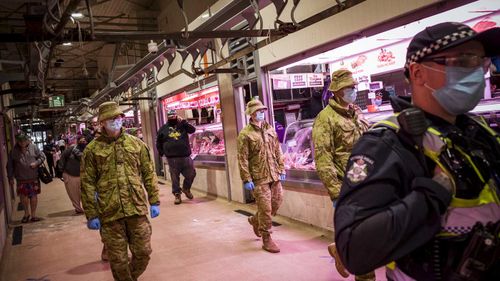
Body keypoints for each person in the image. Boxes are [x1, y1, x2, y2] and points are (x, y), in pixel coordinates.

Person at [334, 22, 500, 281]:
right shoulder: (389, 142)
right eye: (464, 60)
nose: (479, 71)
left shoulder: (479, 132)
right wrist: (431, 195)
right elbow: (354, 251)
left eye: (482, 61)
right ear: (418, 73)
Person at [81, 101, 160, 281]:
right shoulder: (92, 150)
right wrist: (91, 214)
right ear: (102, 122)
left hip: (136, 208)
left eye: (118, 117)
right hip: (109, 212)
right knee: (118, 260)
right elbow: (87, 184)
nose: (116, 121)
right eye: (111, 118)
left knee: (143, 253)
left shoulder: (137, 144)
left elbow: (149, 173)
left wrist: (154, 200)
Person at [311, 69, 371, 280]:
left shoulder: (357, 113)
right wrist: (336, 193)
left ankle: (340, 248)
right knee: (363, 237)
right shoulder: (325, 119)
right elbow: (323, 158)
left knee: (369, 231)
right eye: (349, 88)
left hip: (366, 181)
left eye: (354, 87)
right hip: (345, 185)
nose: (353, 91)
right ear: (336, 92)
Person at [237, 99, 286, 253]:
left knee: (277, 202)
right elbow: (242, 158)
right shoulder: (245, 134)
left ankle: (255, 220)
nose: (261, 113)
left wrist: (282, 168)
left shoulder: (270, 129)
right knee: (265, 208)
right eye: (258, 111)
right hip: (259, 177)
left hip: (274, 174)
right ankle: (267, 238)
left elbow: (277, 150)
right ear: (251, 114)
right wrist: (246, 178)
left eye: (262, 111)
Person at [156, 110, 196, 205]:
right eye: (170, 116)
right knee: (174, 178)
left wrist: (184, 122)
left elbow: (192, 130)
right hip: (172, 158)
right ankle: (177, 194)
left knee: (191, 174)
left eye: (173, 116)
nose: (172, 118)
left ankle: (186, 188)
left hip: (185, 156)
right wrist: (162, 153)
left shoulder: (182, 125)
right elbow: (158, 142)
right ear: (167, 117)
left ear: (176, 116)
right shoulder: (163, 129)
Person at [7, 133, 46, 223]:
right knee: (23, 197)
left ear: (27, 140)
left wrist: (36, 163)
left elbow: (42, 156)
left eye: (24, 140)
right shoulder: (13, 151)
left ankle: (33, 215)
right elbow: (10, 166)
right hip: (21, 179)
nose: (22, 143)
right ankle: (26, 214)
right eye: (20, 141)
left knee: (33, 196)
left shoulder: (34, 147)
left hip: (33, 177)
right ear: (18, 141)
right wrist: (10, 177)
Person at [58, 135, 86, 215]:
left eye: (84, 141)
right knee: (73, 194)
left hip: (82, 174)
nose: (83, 142)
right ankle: (78, 208)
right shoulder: (71, 149)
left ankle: (86, 207)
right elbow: (62, 158)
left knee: (84, 193)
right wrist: (61, 170)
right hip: (70, 174)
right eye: (81, 141)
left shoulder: (88, 150)